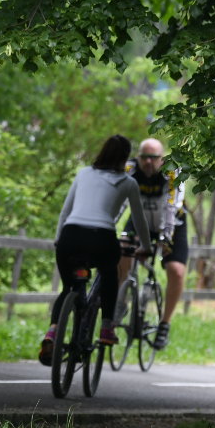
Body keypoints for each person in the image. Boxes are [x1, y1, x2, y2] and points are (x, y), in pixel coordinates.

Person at [39, 134, 152, 364]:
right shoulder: (128, 182)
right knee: (110, 275)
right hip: (102, 239)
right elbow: (140, 221)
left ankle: (52, 332)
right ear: (124, 158)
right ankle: (107, 327)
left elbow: (65, 211)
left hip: (71, 235)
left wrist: (59, 239)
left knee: (69, 286)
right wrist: (146, 247)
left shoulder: (83, 173)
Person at [117, 137, 188, 349]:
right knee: (122, 253)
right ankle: (121, 301)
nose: (148, 162)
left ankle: (164, 323)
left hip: (173, 223)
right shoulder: (130, 168)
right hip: (141, 220)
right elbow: (119, 201)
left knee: (175, 270)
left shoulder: (172, 171)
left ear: (162, 158)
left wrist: (165, 238)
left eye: (154, 157)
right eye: (144, 157)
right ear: (138, 157)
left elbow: (171, 206)